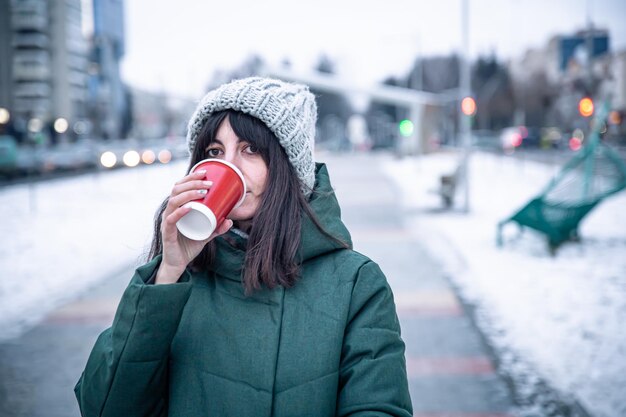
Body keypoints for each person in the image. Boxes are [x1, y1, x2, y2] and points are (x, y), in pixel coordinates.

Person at [74, 77, 413, 417]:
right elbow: (105, 409)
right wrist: (168, 272)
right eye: (215, 152)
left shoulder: (356, 284)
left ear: (288, 167)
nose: (230, 165)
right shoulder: (174, 283)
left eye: (250, 149)